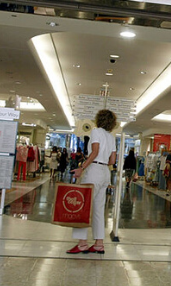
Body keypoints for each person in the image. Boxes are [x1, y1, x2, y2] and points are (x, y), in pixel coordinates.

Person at [66, 109, 118, 255]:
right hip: (105, 172)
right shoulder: (111, 137)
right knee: (99, 208)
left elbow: (94, 151)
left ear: (98, 119)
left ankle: (82, 243)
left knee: (83, 206)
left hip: (94, 170)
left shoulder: (96, 132)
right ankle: (99, 243)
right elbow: (113, 160)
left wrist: (82, 167)